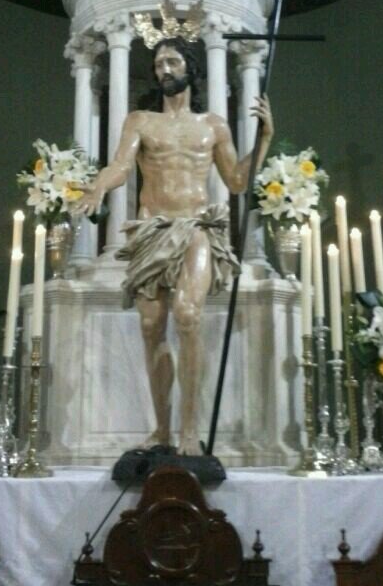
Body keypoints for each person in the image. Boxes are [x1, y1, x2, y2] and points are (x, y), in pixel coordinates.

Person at [81, 36, 273, 455]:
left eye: (172, 61)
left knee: (188, 315)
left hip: (196, 227)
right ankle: (163, 430)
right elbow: (120, 165)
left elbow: (237, 182)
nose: (164, 69)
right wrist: (98, 186)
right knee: (151, 326)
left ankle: (190, 429)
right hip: (152, 229)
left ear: (190, 68)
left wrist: (264, 141)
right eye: (158, 63)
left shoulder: (213, 126)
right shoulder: (140, 121)